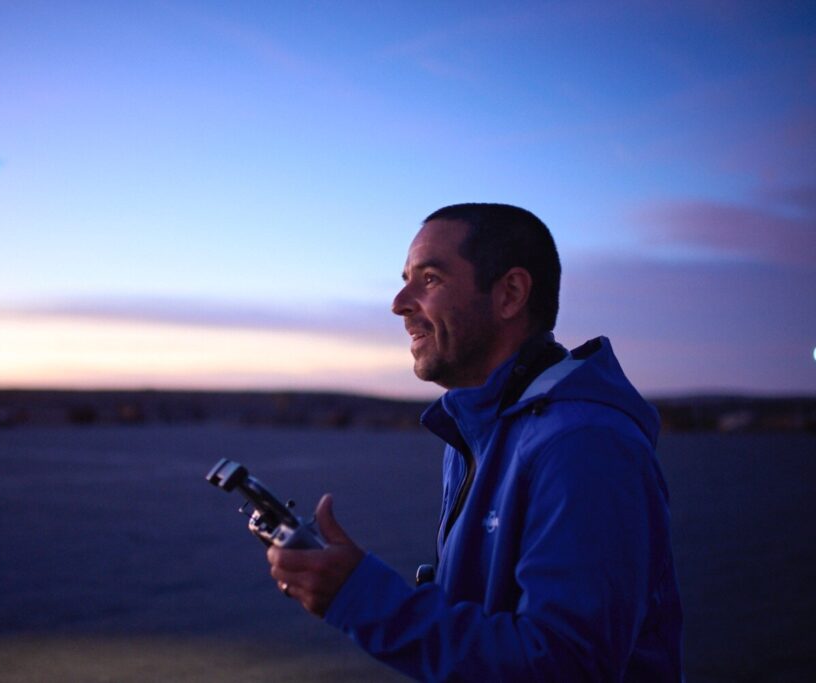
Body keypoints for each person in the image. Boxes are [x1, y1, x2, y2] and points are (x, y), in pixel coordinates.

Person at [267, 203, 683, 681]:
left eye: (429, 279)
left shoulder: (583, 445)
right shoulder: (478, 429)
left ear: (510, 294)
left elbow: (563, 665)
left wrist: (363, 598)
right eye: (405, 280)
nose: (399, 304)